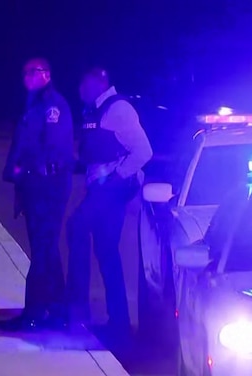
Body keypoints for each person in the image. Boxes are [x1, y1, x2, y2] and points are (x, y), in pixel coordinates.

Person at [66, 67, 153, 339]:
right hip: (101, 187)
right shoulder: (95, 110)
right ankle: (119, 322)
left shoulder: (119, 109)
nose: (79, 89)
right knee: (106, 251)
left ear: (98, 84)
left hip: (112, 189)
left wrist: (118, 176)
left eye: (84, 83)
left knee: (76, 227)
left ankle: (78, 310)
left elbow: (144, 151)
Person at [0, 58, 75, 331]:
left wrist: (26, 168)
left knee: (42, 249)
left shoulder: (52, 105)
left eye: (34, 72)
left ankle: (33, 314)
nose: (27, 77)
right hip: (34, 186)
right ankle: (57, 310)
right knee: (47, 249)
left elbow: (52, 150)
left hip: (47, 187)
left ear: (47, 75)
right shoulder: (33, 105)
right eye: (25, 72)